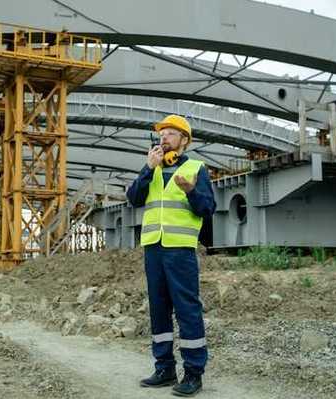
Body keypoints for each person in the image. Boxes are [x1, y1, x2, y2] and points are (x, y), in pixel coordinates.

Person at [126, 114, 216, 397]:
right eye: (161, 133)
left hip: (180, 250)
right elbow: (134, 198)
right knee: (158, 308)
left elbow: (207, 208)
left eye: (170, 134)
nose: (163, 138)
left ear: (184, 141)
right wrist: (146, 168)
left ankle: (193, 373)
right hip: (153, 248)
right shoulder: (151, 168)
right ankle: (164, 368)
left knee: (187, 309)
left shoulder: (196, 168)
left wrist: (191, 191)